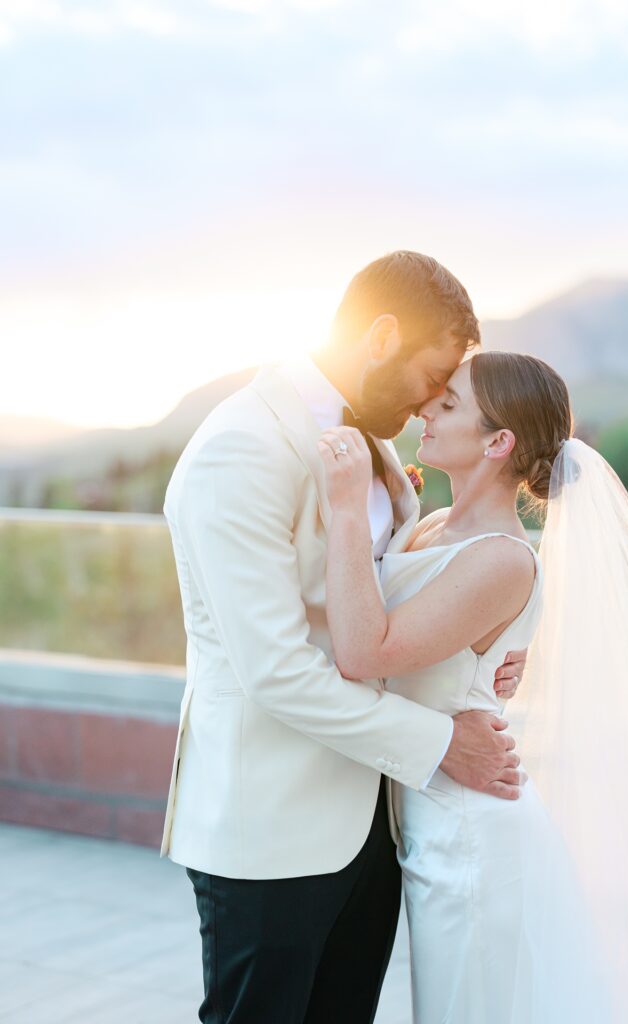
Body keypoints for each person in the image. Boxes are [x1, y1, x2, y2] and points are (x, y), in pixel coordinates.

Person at [318, 350, 628, 1023]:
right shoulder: (434, 526)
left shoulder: (500, 556)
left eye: (449, 404)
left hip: (470, 835)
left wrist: (347, 509)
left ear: (498, 442)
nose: (427, 410)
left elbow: (362, 650)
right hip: (427, 815)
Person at [160, 252, 528, 1024]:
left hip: (373, 823)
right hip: (270, 829)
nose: (435, 399)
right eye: (432, 375)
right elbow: (279, 673)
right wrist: (441, 740)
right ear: (381, 335)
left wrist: (480, 656)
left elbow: (392, 605)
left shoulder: (381, 446)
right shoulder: (241, 449)